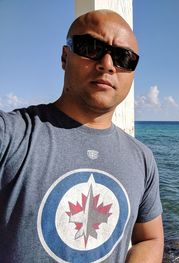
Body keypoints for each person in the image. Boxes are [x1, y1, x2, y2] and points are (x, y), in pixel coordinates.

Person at [0, 9, 163, 263]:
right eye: (90, 47)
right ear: (65, 57)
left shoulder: (142, 159)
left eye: (124, 58)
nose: (107, 64)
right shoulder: (12, 135)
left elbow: (149, 238)